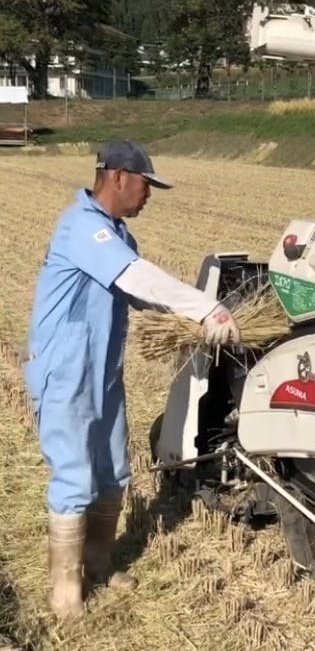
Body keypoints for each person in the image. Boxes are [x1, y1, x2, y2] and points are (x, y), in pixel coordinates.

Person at [23, 140, 240, 620]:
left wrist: (196, 322)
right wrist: (205, 307)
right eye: (146, 184)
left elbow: (143, 297)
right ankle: (65, 592)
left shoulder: (117, 234)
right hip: (66, 369)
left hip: (101, 369)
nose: (149, 195)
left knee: (113, 470)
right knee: (75, 474)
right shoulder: (83, 227)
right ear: (118, 176)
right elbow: (139, 278)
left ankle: (98, 564)